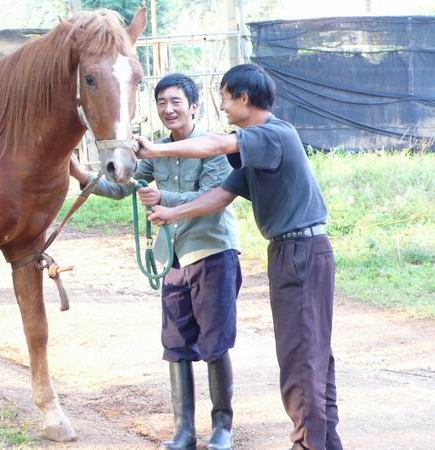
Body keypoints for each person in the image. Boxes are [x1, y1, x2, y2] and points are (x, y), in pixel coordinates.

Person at [138, 64, 342, 450]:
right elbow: (220, 195)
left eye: (226, 97)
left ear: (244, 99)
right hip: (293, 251)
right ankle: (326, 443)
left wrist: (158, 149)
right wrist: (170, 212)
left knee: (302, 361)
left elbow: (215, 144)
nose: (223, 106)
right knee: (311, 356)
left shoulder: (272, 135)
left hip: (300, 251)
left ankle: (307, 444)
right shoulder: (258, 148)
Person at [70, 73, 241, 450]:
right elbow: (119, 188)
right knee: (176, 342)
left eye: (176, 102)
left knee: (215, 342)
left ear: (194, 106)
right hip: (173, 258)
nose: (168, 109)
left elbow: (213, 195)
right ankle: (184, 431)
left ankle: (222, 428)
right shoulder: (154, 150)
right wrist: (77, 170)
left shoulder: (214, 146)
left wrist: (164, 199)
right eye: (162, 102)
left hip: (212, 252)